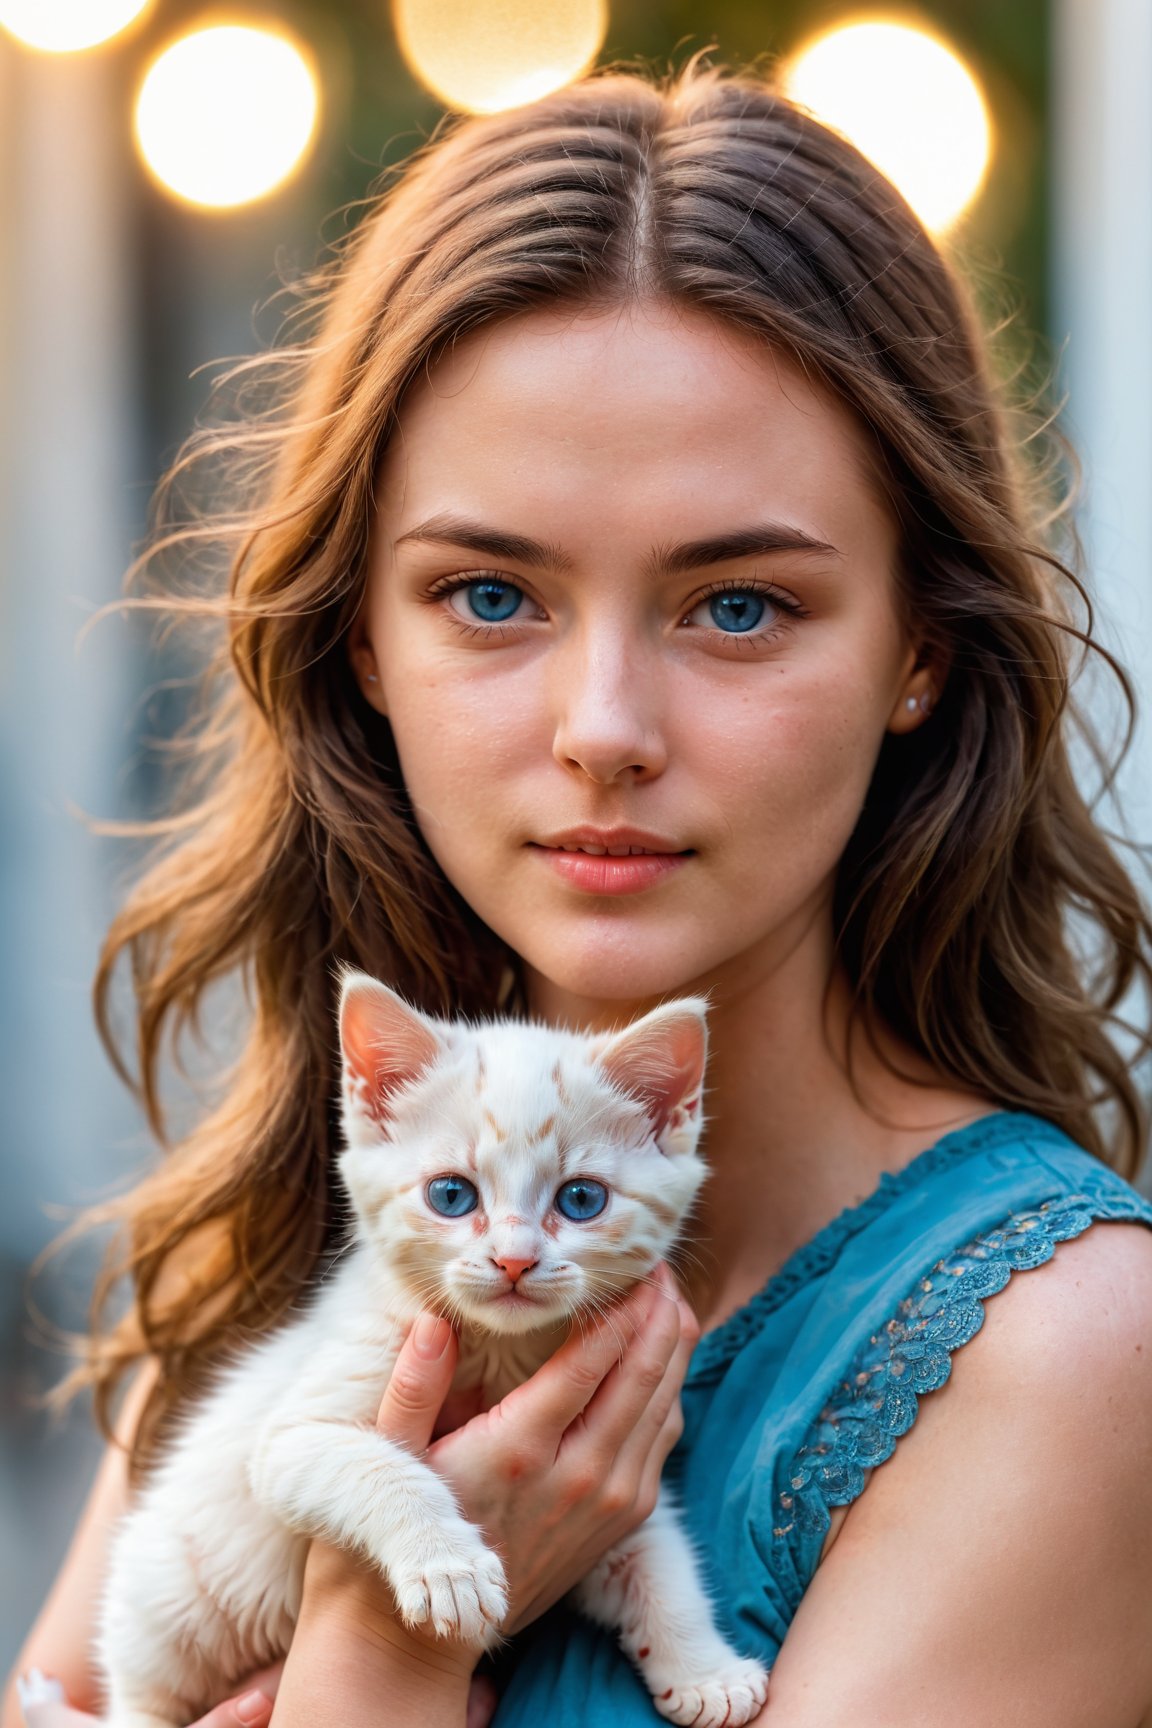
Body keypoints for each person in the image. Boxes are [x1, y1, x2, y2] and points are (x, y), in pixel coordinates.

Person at [7, 56, 1152, 1728]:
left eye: (738, 607)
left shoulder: (1067, 1363)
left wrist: (375, 1672)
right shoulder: (268, 1265)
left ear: (923, 649)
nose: (603, 730)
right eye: (489, 594)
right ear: (362, 649)